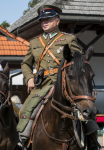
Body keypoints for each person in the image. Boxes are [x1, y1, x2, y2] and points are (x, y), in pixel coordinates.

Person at [17, 4, 99, 150]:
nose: (45, 22)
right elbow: (25, 64)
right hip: (42, 85)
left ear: (57, 21)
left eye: (48, 19)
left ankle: (92, 140)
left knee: (84, 108)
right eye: (42, 20)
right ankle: (24, 141)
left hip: (63, 83)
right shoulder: (35, 42)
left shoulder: (68, 39)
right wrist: (29, 78)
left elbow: (79, 61)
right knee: (25, 110)